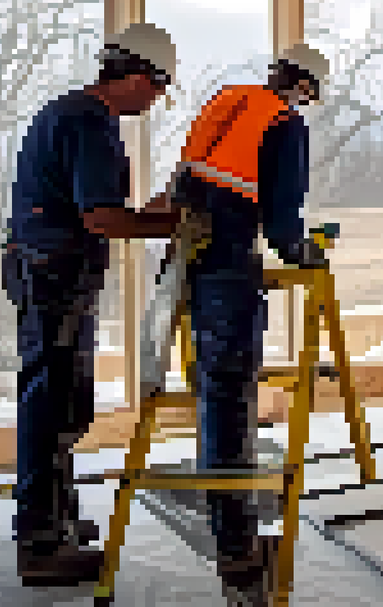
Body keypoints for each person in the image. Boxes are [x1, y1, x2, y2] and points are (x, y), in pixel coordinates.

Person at [6, 22, 183, 586]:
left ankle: (55, 519)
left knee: (55, 397)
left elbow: (91, 206)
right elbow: (101, 217)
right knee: (54, 403)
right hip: (56, 272)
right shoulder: (91, 123)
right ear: (136, 77)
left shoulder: (66, 112)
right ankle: (40, 543)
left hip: (41, 265)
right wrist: (170, 220)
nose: (154, 102)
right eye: (156, 90)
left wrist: (152, 213)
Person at [161, 43, 329, 607]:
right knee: (231, 397)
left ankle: (227, 528)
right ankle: (238, 552)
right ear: (304, 88)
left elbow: (188, 179)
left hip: (190, 256)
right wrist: (303, 250)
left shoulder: (228, 102)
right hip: (229, 261)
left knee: (214, 389)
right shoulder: (283, 124)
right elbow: (283, 221)